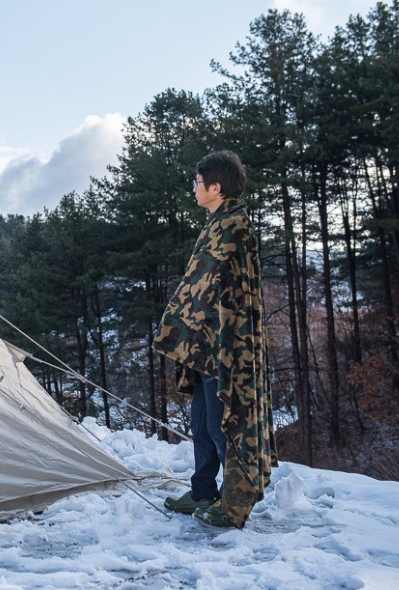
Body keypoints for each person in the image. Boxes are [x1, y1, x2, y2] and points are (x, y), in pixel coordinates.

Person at [153, 150, 277, 529]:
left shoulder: (235, 227)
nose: (194, 188)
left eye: (197, 182)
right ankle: (203, 490)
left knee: (224, 423)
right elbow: (200, 285)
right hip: (206, 345)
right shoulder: (217, 224)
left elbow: (226, 293)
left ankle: (233, 504)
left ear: (215, 187)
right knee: (202, 421)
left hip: (225, 347)